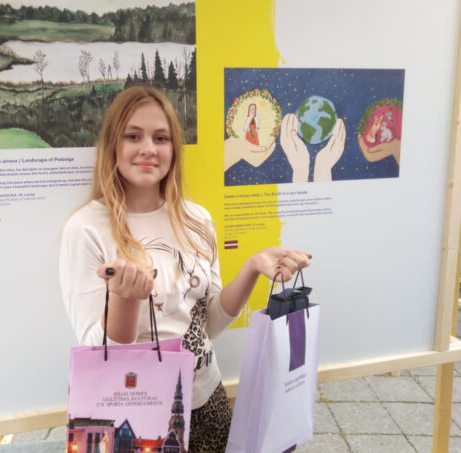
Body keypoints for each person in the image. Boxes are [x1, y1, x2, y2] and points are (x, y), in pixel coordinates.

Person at [59, 86, 310, 452]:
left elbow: (208, 326)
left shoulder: (196, 219)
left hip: (207, 399)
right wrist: (126, 301)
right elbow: (100, 356)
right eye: (133, 136)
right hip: (137, 416)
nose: (149, 148)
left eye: (161, 138)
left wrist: (253, 267)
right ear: (112, 144)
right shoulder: (85, 229)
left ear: (174, 148)